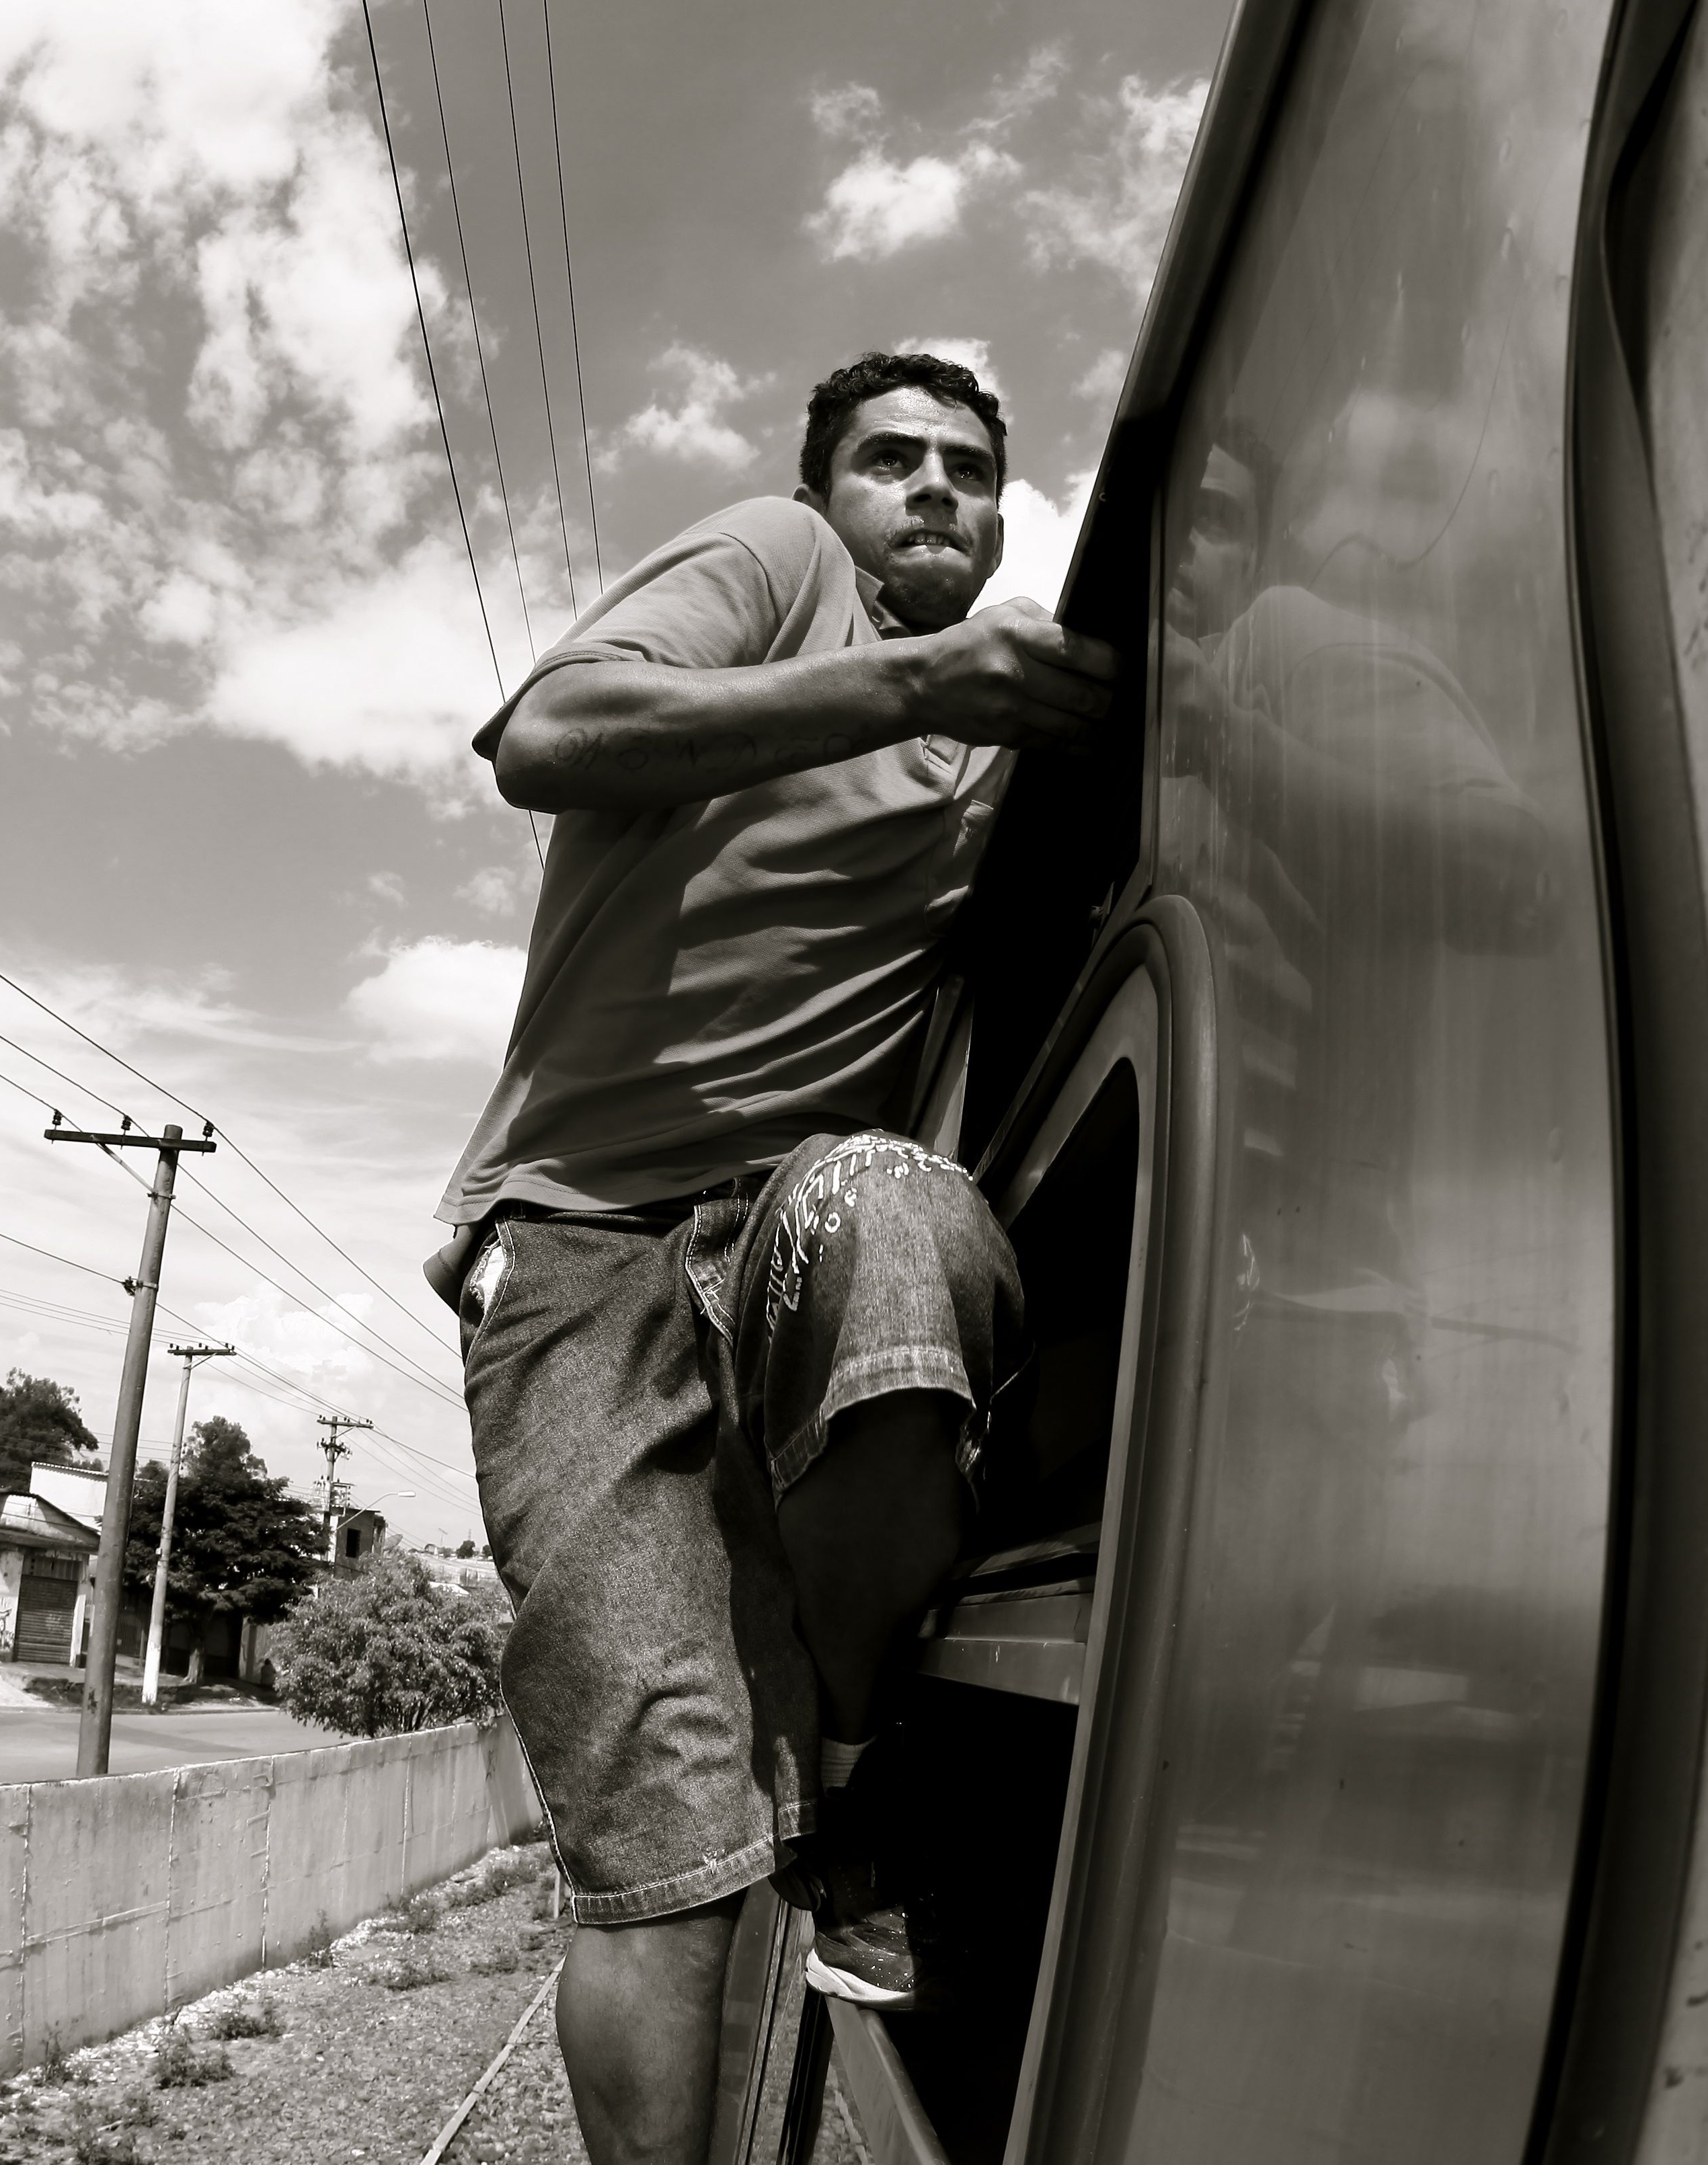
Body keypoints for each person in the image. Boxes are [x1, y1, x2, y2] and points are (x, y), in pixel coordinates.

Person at [428, 350, 1116, 2163]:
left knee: (898, 1211)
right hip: (577, 1249)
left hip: (785, 1225)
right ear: (828, 493)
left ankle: (856, 1775)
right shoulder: (769, 569)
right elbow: (544, 739)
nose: (934, 492)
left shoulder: (1001, 747)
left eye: (969, 469)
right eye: (891, 462)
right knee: (660, 1850)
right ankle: (755, 1822)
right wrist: (908, 675)